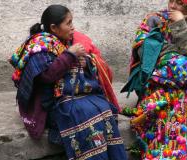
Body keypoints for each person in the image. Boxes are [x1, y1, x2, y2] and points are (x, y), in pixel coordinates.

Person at [9, 5, 127, 160]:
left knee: (103, 107)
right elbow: (47, 76)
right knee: (83, 112)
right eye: (68, 23)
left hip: (70, 95)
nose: (73, 27)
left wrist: (85, 63)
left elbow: (75, 67)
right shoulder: (40, 45)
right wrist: (70, 55)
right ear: (54, 27)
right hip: (50, 103)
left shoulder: (63, 40)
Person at [121, 0, 187, 159]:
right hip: (157, 83)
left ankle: (175, 153)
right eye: (171, 0)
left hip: (185, 87)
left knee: (183, 101)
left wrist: (179, 23)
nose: (172, 6)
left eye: (179, 3)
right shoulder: (153, 19)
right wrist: (178, 58)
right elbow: (145, 53)